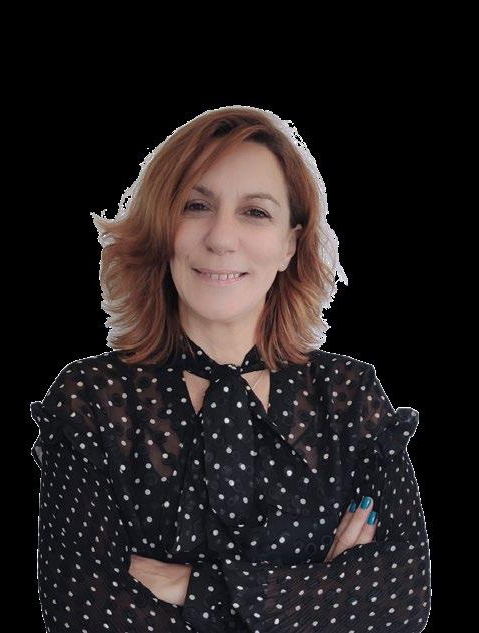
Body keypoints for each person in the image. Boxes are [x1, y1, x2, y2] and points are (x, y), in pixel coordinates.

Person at [30, 106, 431, 632]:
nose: (221, 238)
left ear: (290, 244)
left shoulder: (348, 397)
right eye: (196, 206)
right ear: (163, 227)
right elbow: (79, 611)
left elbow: (403, 598)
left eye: (255, 212)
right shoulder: (91, 399)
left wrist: (187, 587)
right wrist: (318, 593)